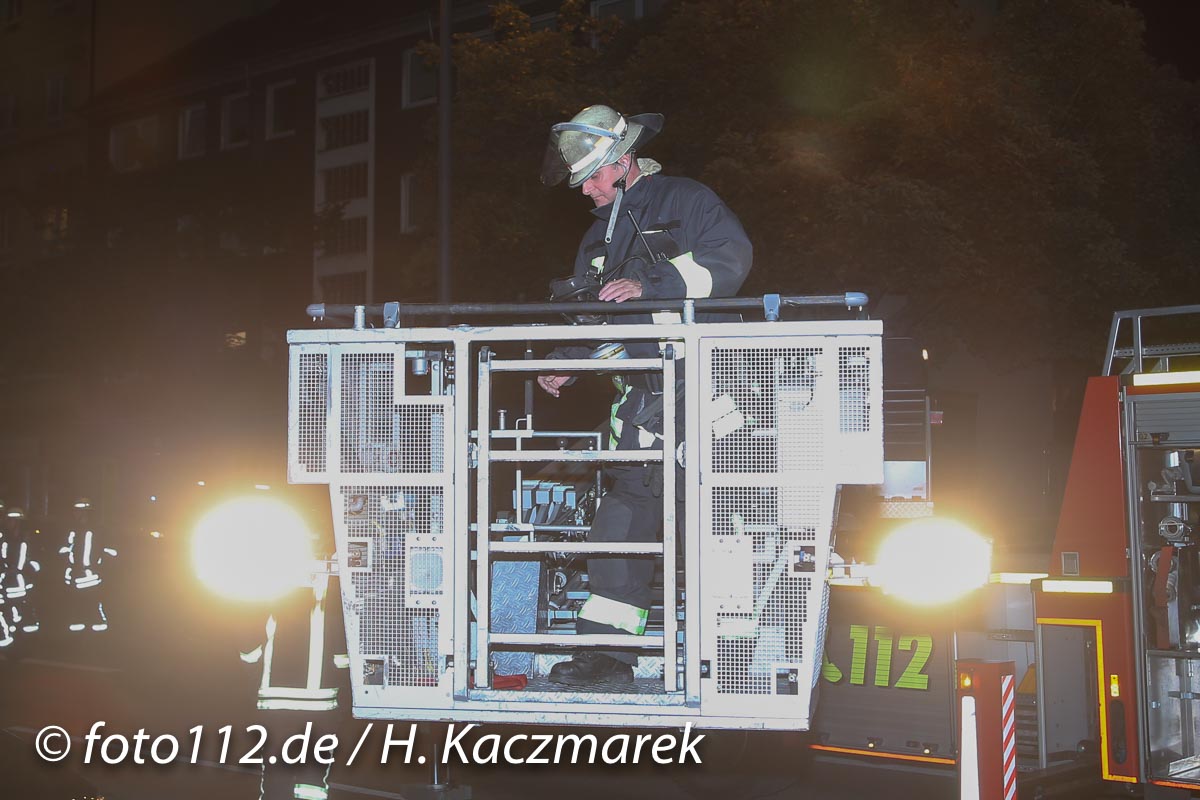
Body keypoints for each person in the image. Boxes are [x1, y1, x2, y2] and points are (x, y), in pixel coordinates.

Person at [537, 105, 753, 686]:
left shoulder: (687, 201)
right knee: (620, 525)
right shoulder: (596, 236)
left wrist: (650, 284)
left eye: (591, 177)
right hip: (640, 406)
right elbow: (594, 317)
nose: (585, 190)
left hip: (709, 397)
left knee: (722, 523)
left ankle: (735, 649)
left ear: (623, 161)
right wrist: (566, 363)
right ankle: (607, 653)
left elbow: (729, 261)